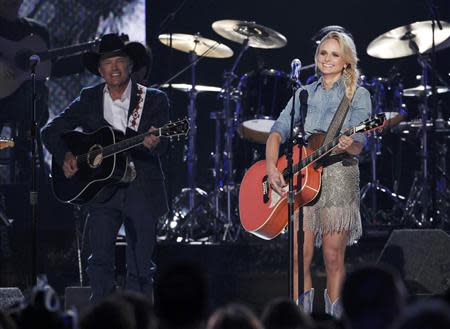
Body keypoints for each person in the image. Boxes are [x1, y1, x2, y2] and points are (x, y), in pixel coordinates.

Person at [41, 33, 169, 303]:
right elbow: (50, 131)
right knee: (99, 265)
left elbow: (166, 147)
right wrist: (65, 156)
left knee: (141, 269)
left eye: (120, 61)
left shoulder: (154, 99)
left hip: (141, 189)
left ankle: (140, 319)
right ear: (99, 70)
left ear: (131, 66)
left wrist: (153, 143)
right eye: (107, 63)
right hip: (101, 190)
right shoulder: (89, 98)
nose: (114, 67)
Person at [265, 31, 371, 317]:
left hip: (339, 176)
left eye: (335, 54)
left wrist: (352, 144)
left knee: (332, 257)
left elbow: (362, 143)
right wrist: (271, 166)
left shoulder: (357, 95)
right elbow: (277, 131)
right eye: (323, 53)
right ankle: (301, 320)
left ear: (347, 61)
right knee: (300, 255)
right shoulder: (304, 93)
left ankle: (336, 320)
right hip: (304, 179)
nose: (327, 59)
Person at [0, 0, 49, 182]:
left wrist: (85, 61)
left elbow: (49, 69)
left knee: (37, 88)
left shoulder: (37, 33)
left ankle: (24, 150)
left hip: (21, 104)